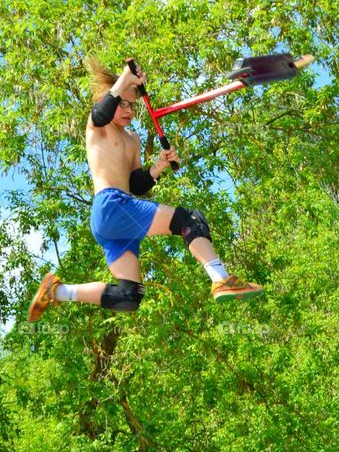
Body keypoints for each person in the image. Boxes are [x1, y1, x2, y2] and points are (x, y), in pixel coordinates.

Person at [28, 58, 263, 321]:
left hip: (116, 217)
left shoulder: (132, 139)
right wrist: (126, 79)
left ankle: (58, 292)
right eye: (123, 104)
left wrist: (158, 166)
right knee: (188, 220)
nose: (128, 110)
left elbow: (136, 185)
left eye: (133, 105)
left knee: (129, 297)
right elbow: (100, 112)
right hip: (111, 205)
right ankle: (221, 278)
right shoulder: (99, 128)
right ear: (112, 98)